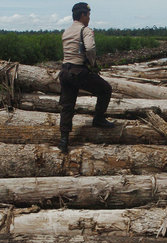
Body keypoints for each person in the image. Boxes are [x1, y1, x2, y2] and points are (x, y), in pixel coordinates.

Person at [58, 2, 115, 153]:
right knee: (105, 89)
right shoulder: (85, 30)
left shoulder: (66, 31)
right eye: (88, 15)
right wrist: (92, 62)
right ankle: (98, 119)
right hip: (78, 71)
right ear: (83, 15)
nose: (89, 18)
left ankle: (64, 140)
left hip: (64, 72)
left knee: (67, 106)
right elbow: (89, 48)